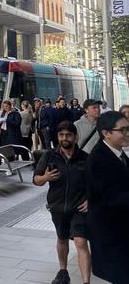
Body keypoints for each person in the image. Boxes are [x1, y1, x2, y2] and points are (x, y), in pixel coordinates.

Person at [33, 121, 91, 284]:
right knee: (62, 238)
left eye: (68, 135)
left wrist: (90, 199)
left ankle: (86, 281)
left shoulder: (85, 158)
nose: (64, 138)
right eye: (61, 135)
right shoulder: (49, 156)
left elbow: (95, 183)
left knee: (81, 241)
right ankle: (63, 271)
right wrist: (45, 178)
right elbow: (36, 180)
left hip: (78, 207)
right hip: (57, 206)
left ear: (75, 137)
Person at [85, 111, 129, 283]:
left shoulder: (117, 152)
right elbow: (110, 197)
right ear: (106, 133)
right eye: (123, 130)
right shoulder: (99, 159)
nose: (127, 134)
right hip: (110, 232)